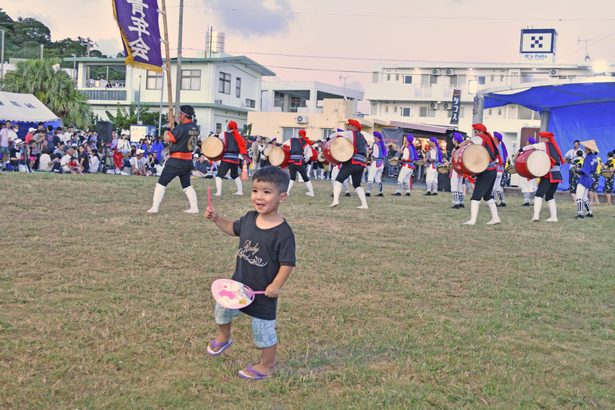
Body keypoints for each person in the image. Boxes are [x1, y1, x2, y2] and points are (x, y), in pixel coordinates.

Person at [205, 166, 295, 380]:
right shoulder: (249, 218)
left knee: (263, 332)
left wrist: (276, 285)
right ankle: (224, 336)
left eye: (266, 192)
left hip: (263, 293)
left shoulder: (283, 233)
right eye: (255, 191)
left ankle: (266, 364)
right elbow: (232, 229)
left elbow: (287, 263)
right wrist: (217, 219)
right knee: (222, 311)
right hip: (239, 285)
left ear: (282, 196)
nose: (259, 197)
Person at [147, 105, 200, 213]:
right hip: (188, 160)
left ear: (184, 115)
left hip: (176, 161)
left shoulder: (182, 128)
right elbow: (182, 137)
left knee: (161, 184)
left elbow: (167, 138)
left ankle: (154, 207)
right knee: (187, 186)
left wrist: (168, 127)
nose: (178, 115)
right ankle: (194, 208)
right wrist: (175, 126)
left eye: (180, 113)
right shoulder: (195, 127)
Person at [459, 123, 502, 225]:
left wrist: (459, 146)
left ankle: (473, 220)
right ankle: (496, 218)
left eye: (476, 132)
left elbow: (469, 141)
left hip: (487, 171)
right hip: (492, 170)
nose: (475, 134)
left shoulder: (481, 137)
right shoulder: (488, 138)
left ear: (480, 131)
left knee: (475, 197)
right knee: (487, 196)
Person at [522, 131, 564, 222]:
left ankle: (536, 216)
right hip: (557, 175)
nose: (541, 140)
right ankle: (554, 217)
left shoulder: (544, 145)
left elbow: (531, 146)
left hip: (549, 175)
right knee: (549, 196)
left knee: (538, 195)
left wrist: (520, 150)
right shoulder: (555, 147)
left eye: (542, 138)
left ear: (546, 138)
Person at [330, 119, 369, 209]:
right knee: (357, 185)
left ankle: (335, 200)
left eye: (349, 125)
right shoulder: (363, 138)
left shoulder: (351, 133)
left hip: (352, 161)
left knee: (338, 180)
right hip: (362, 163)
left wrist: (327, 139)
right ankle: (364, 205)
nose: (347, 127)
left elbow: (336, 135)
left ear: (354, 127)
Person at [214, 121, 248, 196]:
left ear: (228, 127)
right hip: (236, 158)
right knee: (234, 175)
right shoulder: (239, 136)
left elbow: (217, 141)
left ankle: (218, 192)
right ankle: (240, 191)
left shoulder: (224, 134)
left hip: (227, 158)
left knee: (219, 175)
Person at [286, 129, 315, 197]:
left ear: (298, 134)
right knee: (305, 177)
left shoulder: (292, 140)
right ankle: (311, 193)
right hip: (300, 162)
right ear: (305, 135)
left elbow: (285, 147)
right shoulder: (305, 142)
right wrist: (305, 161)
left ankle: (287, 192)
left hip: (291, 162)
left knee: (292, 177)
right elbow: (309, 154)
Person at [575, 140, 600, 218]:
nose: (584, 148)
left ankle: (580, 213)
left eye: (585, 147)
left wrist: (577, 170)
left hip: (584, 178)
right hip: (590, 178)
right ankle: (590, 212)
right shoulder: (595, 157)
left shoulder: (587, 158)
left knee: (579, 196)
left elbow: (585, 170)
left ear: (588, 148)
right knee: (584, 196)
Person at [366, 131, 387, 197]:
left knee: (370, 178)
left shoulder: (375, 144)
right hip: (381, 163)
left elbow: (375, 154)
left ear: (376, 137)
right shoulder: (382, 144)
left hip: (375, 162)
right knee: (378, 179)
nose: (374, 137)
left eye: (374, 136)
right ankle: (381, 192)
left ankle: (368, 192)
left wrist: (370, 153)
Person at [519, 137, 538, 206]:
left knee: (526, 186)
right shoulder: (536, 151)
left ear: (529, 143)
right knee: (533, 186)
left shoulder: (525, 151)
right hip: (534, 171)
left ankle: (526, 201)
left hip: (526, 170)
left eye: (527, 141)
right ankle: (534, 201)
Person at [449, 132, 466, 208]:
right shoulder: (462, 149)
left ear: (456, 140)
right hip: (461, 170)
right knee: (459, 186)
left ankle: (456, 203)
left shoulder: (455, 149)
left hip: (455, 169)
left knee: (454, 186)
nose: (452, 140)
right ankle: (461, 202)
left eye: (453, 138)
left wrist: (448, 163)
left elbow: (453, 161)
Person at [492, 132, 508, 207]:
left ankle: (496, 201)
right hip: (500, 169)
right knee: (496, 186)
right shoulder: (500, 147)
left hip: (497, 169)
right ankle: (501, 201)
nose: (492, 137)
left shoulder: (497, 147)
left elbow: (499, 160)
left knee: (495, 186)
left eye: (493, 136)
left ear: (496, 139)